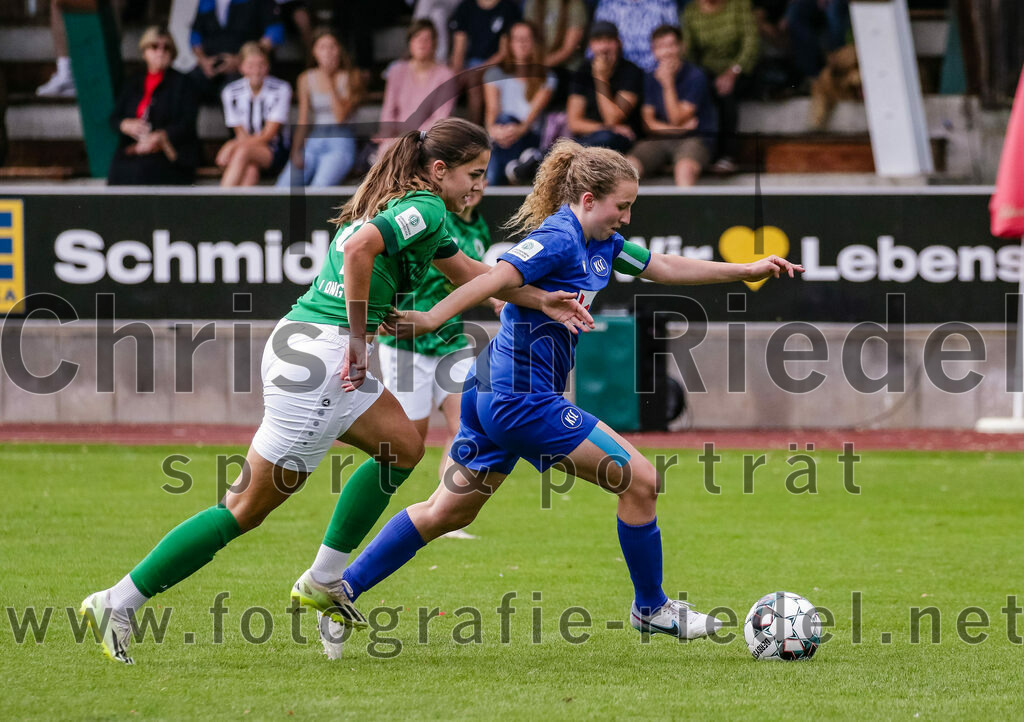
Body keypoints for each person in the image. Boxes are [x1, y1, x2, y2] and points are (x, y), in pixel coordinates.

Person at [78, 118, 594, 665]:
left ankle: (324, 577)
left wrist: (541, 300)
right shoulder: (429, 208)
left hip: (307, 347)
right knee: (243, 510)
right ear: (438, 170)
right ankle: (121, 600)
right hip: (321, 359)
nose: (478, 185)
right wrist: (356, 339)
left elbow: (471, 273)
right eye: (474, 173)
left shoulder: (415, 207)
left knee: (402, 445)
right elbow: (360, 253)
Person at [333, 140, 804, 647]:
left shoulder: (601, 241)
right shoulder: (559, 236)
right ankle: (652, 609)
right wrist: (430, 318)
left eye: (631, 207)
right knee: (641, 481)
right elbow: (495, 278)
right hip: (522, 400)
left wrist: (747, 270)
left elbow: (662, 267)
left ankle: (340, 594)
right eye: (620, 206)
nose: (625, 217)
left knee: (447, 511)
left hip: (492, 392)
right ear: (585, 198)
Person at [377, 180, 498, 486]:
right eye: (471, 175)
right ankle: (374, 500)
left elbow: (468, 281)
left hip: (451, 339)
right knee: (409, 443)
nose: (476, 184)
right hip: (407, 339)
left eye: (482, 175)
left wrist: (496, 295)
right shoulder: (435, 218)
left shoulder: (480, 227)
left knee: (466, 427)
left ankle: (444, 510)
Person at [107, 27, 200, 186]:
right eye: (154, 46)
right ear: (144, 52)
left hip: (169, 152)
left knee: (144, 171)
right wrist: (125, 124)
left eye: (166, 47)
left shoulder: (183, 83)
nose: (160, 52)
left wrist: (159, 137)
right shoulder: (133, 82)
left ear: (173, 53)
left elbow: (187, 123)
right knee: (117, 170)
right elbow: (114, 117)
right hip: (135, 148)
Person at [627, 24, 717, 186]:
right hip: (660, 139)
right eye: (661, 47)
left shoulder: (696, 76)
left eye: (671, 45)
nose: (667, 52)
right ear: (653, 51)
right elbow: (648, 123)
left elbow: (677, 118)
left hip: (694, 139)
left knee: (684, 168)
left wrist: (668, 85)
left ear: (681, 47)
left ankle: (686, 210)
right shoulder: (650, 77)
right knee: (628, 167)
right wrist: (679, 130)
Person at [276, 29, 362, 188]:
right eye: (322, 47)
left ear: (340, 50)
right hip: (314, 140)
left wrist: (329, 80)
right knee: (283, 186)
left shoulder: (352, 76)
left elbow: (340, 117)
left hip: (340, 141)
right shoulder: (305, 78)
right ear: (314, 52)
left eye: (332, 47)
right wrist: (295, 151)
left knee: (319, 187)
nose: (328, 52)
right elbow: (303, 118)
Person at [681, 0, 759, 173]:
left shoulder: (740, 5)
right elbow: (689, 52)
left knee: (725, 93)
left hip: (740, 68)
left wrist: (733, 72)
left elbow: (751, 43)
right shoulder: (691, 11)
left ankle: (727, 155)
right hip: (707, 71)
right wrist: (696, 77)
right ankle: (704, 150)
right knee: (702, 88)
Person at [482, 21, 556, 185]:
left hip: (528, 135)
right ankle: (513, 169)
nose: (522, 44)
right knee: (503, 122)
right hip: (501, 134)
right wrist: (494, 131)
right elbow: (492, 112)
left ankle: (495, 182)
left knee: (504, 126)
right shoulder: (494, 74)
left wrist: (512, 130)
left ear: (534, 43)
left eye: (526, 39)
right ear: (509, 44)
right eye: (517, 39)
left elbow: (529, 120)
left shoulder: (546, 77)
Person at [375, 20, 457, 157]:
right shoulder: (396, 71)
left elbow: (441, 117)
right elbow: (389, 109)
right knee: (385, 154)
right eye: (417, 38)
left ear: (435, 43)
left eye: (426, 39)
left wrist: (411, 138)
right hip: (397, 137)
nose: (421, 43)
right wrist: (387, 132)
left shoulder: (446, 75)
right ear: (410, 43)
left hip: (430, 138)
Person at [217, 43, 291, 187]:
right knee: (250, 170)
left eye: (261, 65)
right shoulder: (230, 91)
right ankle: (238, 209)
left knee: (243, 152)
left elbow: (268, 135)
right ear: (241, 67)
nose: (256, 71)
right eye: (250, 65)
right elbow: (240, 133)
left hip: (274, 150)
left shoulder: (281, 89)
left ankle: (218, 203)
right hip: (246, 149)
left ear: (268, 66)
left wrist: (232, 145)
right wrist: (237, 144)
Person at [566, 21, 644, 154]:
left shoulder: (631, 71)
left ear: (618, 43)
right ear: (591, 45)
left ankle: (541, 157)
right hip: (591, 136)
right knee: (573, 142)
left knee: (606, 138)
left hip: (621, 140)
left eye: (609, 40)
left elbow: (612, 118)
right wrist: (607, 128)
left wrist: (600, 78)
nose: (604, 47)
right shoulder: (583, 70)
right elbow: (574, 123)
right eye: (598, 41)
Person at [189, 0, 284, 100]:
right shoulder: (206, 2)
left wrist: (240, 60)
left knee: (233, 89)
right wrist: (204, 61)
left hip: (246, 66)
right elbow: (195, 36)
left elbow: (274, 34)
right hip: (212, 63)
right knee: (188, 82)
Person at [449, 0, 523, 124]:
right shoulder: (465, 6)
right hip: (470, 63)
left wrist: (475, 71)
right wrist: (455, 73)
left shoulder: (508, 8)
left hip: (498, 64)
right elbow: (458, 49)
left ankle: (475, 130)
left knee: (475, 81)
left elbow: (504, 52)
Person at [592, 0, 680, 73]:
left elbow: (675, 41)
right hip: (619, 73)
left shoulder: (665, 3)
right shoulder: (607, 4)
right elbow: (596, 43)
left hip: (659, 72)